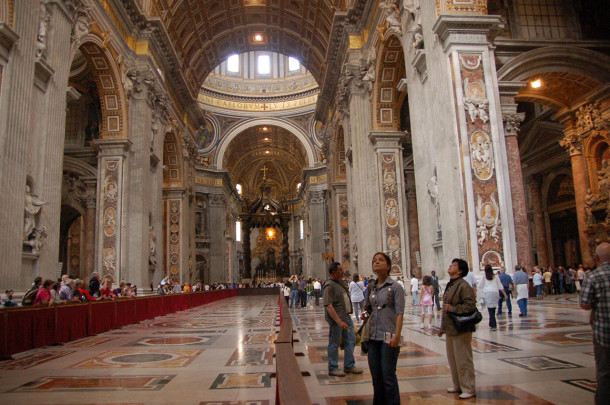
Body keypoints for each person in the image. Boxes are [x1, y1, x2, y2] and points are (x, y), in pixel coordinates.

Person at [364, 252, 404, 404]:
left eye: (381, 260)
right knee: (376, 378)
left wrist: (397, 336)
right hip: (373, 337)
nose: (377, 262)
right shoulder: (372, 288)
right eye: (374, 260)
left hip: (389, 336)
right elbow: (370, 308)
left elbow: (399, 313)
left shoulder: (396, 287)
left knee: (388, 377)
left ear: (388, 266)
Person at [438, 258, 477, 399]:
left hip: (461, 328)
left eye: (454, 265)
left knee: (463, 359)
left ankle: (468, 388)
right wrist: (442, 328)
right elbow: (445, 310)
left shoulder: (464, 285)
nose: (450, 266)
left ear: (459, 271)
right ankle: (457, 385)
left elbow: (470, 305)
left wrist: (453, 308)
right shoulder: (451, 285)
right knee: (453, 359)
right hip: (451, 328)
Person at [580, 242, 610, 405]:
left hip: (603, 333)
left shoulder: (593, 276)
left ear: (596, 257)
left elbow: (584, 303)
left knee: (604, 373)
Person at [323, 262, 362, 377]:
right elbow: (328, 306)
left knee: (351, 340)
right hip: (337, 320)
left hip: (346, 317)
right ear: (334, 272)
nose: (342, 271)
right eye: (340, 270)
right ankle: (333, 367)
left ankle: (349, 365)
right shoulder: (329, 286)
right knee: (334, 343)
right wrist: (339, 321)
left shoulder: (340, 283)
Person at [479, 265, 507, 331]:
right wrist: (505, 294)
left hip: (488, 293)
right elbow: (500, 286)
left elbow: (480, 285)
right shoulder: (496, 276)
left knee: (490, 310)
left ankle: (493, 325)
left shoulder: (484, 276)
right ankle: (492, 323)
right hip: (495, 292)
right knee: (493, 309)